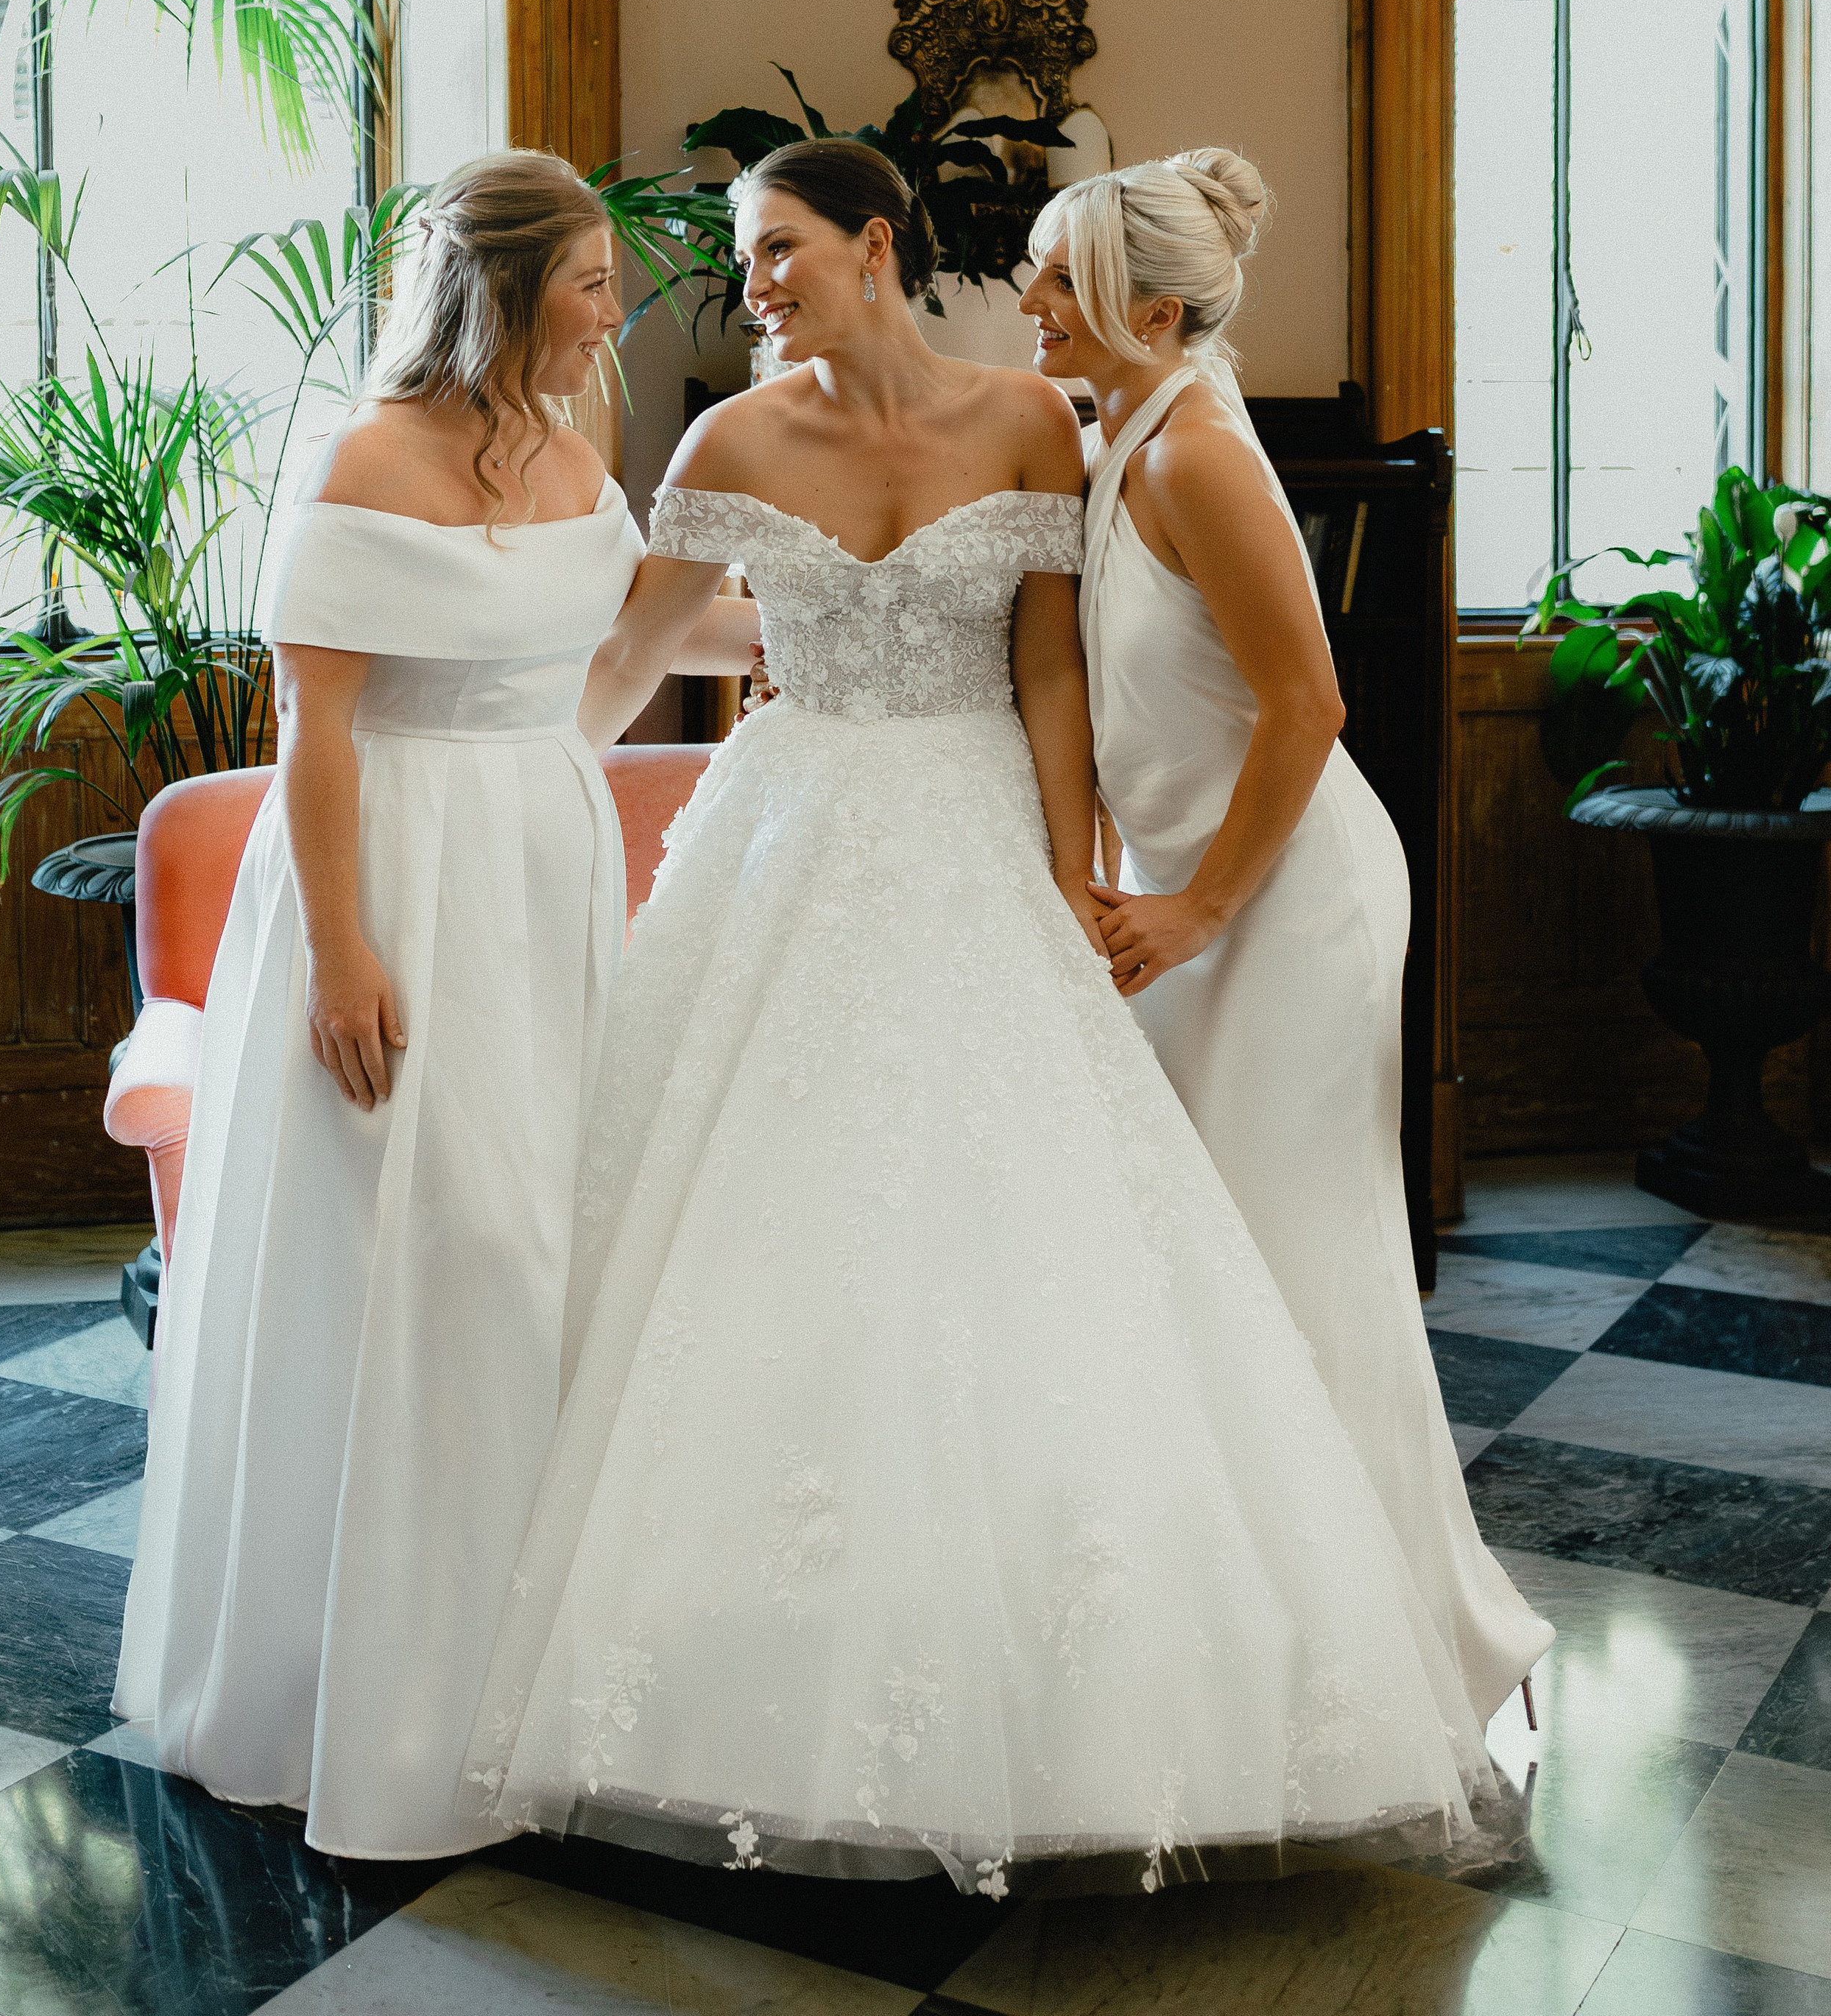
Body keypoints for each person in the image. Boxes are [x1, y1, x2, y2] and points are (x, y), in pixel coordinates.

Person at [459, 137, 1503, 1893]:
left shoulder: (1036, 430)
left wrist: (1062, 868)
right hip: (784, 839)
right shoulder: (725, 440)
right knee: (762, 1229)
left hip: (968, 838)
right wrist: (495, 799)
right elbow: (635, 658)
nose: (753, 282)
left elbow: (1045, 668)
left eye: (778, 247)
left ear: (874, 246)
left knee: (1023, 1225)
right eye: (743, 256)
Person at [114, 149, 752, 1859]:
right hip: (388, 858)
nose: (617, 307)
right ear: (505, 286)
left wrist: (810, 622)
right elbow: (314, 725)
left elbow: (604, 670)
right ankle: (356, 1682)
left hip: (538, 862)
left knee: (540, 1241)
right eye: (592, 281)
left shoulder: (574, 450)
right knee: (415, 1239)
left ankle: (517, 1670)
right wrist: (342, 950)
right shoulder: (369, 454)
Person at [1020, 149, 1551, 1729]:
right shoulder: (1112, 434)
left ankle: (1389, 1649)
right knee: (1204, 1260)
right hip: (1195, 897)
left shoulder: (1198, 460)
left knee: (1290, 1258)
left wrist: (1195, 905)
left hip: (1282, 905)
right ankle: (1234, 1624)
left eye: (1061, 277)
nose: (1029, 301)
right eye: (1039, 269)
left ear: (1158, 307)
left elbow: (1310, 707)